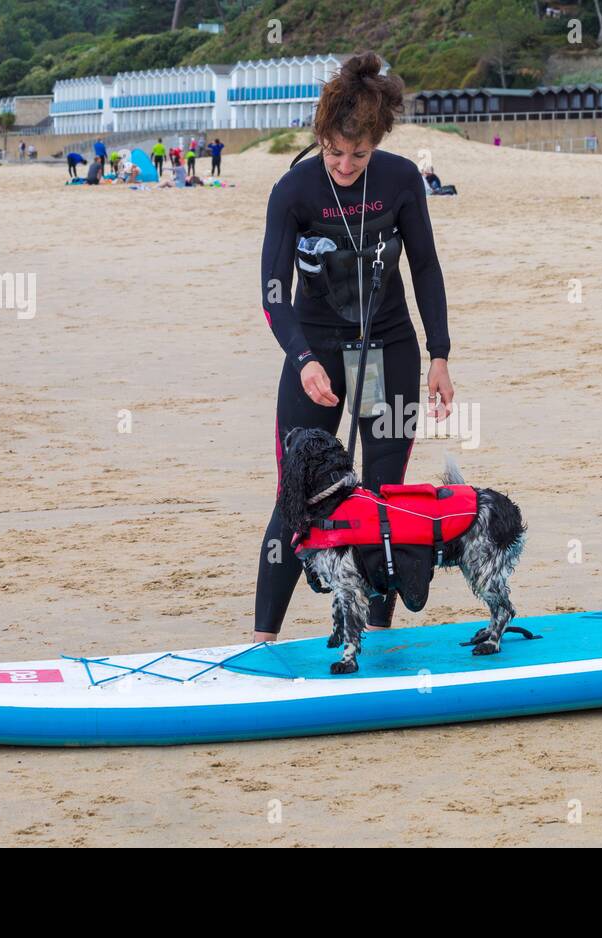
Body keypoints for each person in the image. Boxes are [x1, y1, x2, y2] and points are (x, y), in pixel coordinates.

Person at [254, 50, 453, 642]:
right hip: (315, 350)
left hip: (388, 349)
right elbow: (272, 292)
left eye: (358, 153)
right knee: (297, 495)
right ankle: (263, 638)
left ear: (378, 140)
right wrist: (303, 357)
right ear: (320, 137)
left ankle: (381, 635)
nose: (344, 164)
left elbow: (426, 267)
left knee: (383, 494)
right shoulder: (293, 191)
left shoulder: (398, 180)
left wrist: (439, 353)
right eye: (334, 151)